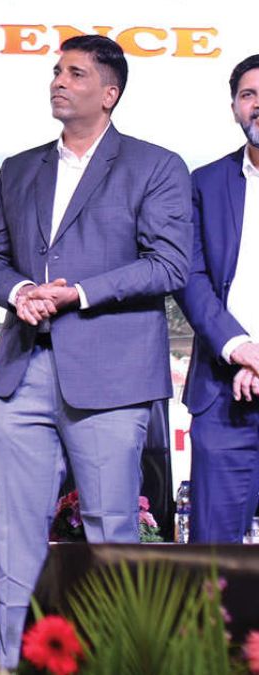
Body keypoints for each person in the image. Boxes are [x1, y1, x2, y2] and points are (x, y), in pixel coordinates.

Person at [0, 35, 191, 668]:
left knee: (110, 538)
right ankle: (10, 665)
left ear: (109, 93)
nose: (58, 82)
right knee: (13, 545)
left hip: (111, 377)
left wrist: (79, 293)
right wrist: (19, 292)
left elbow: (169, 264)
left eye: (75, 73)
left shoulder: (155, 166)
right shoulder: (19, 168)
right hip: (22, 374)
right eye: (56, 71)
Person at [175, 54, 259, 543]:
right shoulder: (205, 183)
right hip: (224, 396)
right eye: (249, 95)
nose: (258, 105)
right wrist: (240, 348)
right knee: (213, 565)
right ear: (234, 108)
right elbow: (190, 276)